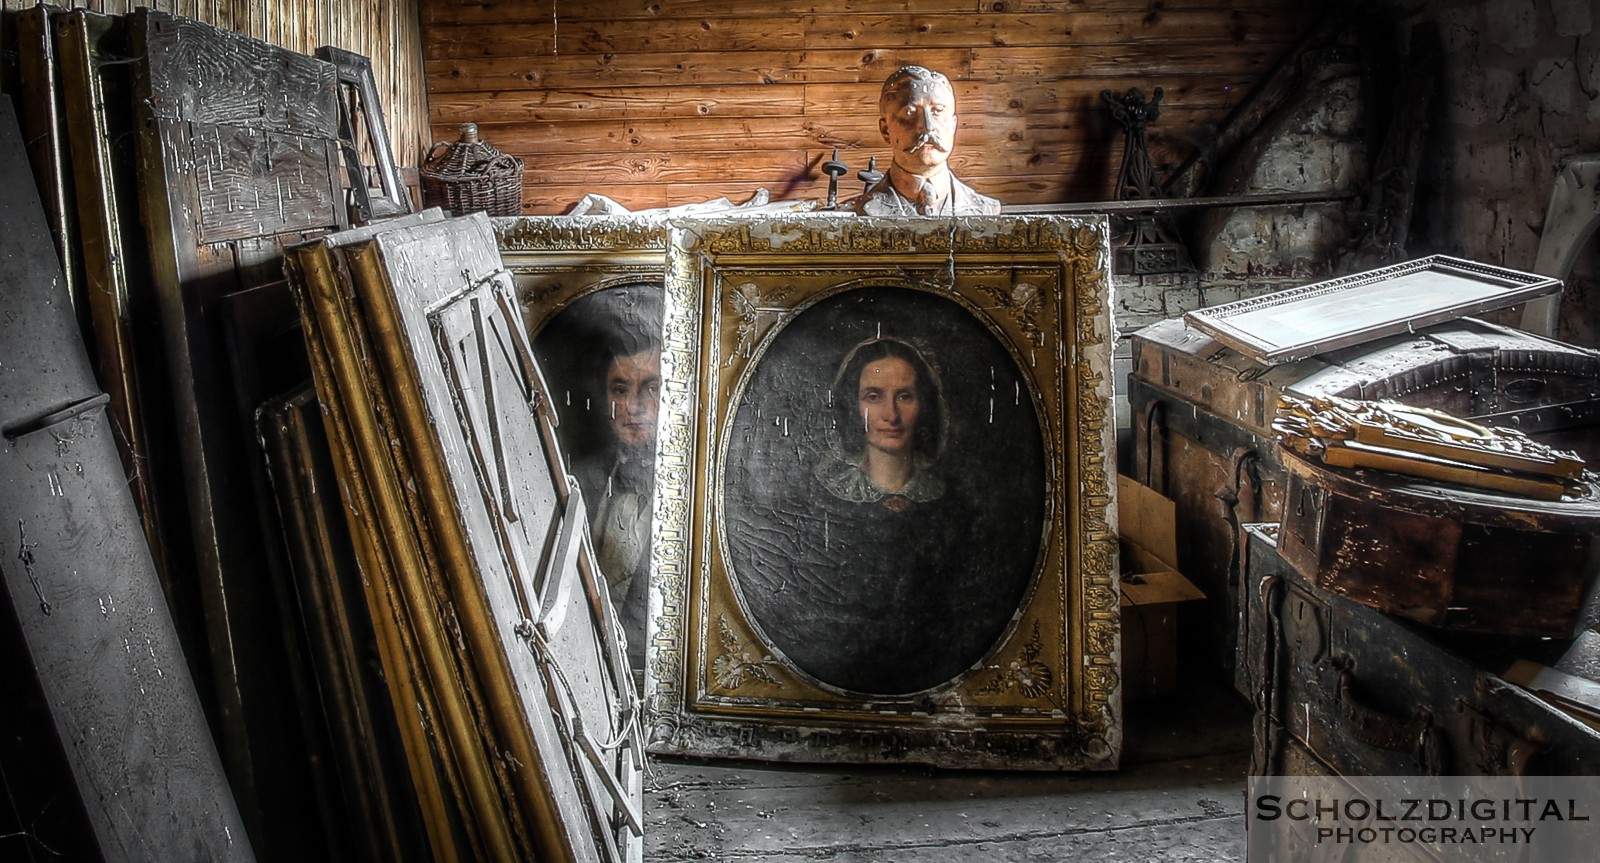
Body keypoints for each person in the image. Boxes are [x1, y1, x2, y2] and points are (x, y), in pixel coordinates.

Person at [729, 337, 1017, 695]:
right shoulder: (812, 504)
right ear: (853, 406)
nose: (890, 415)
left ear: (924, 404)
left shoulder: (959, 508)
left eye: (905, 396)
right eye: (874, 396)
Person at [572, 335, 660, 672]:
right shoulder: (577, 480)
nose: (635, 406)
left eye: (651, 389)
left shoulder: (702, 498)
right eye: (620, 391)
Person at [847, 66, 1002, 217]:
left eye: (938, 111)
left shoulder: (986, 210)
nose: (928, 128)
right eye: (910, 112)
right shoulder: (853, 213)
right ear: (885, 130)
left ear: (953, 125)